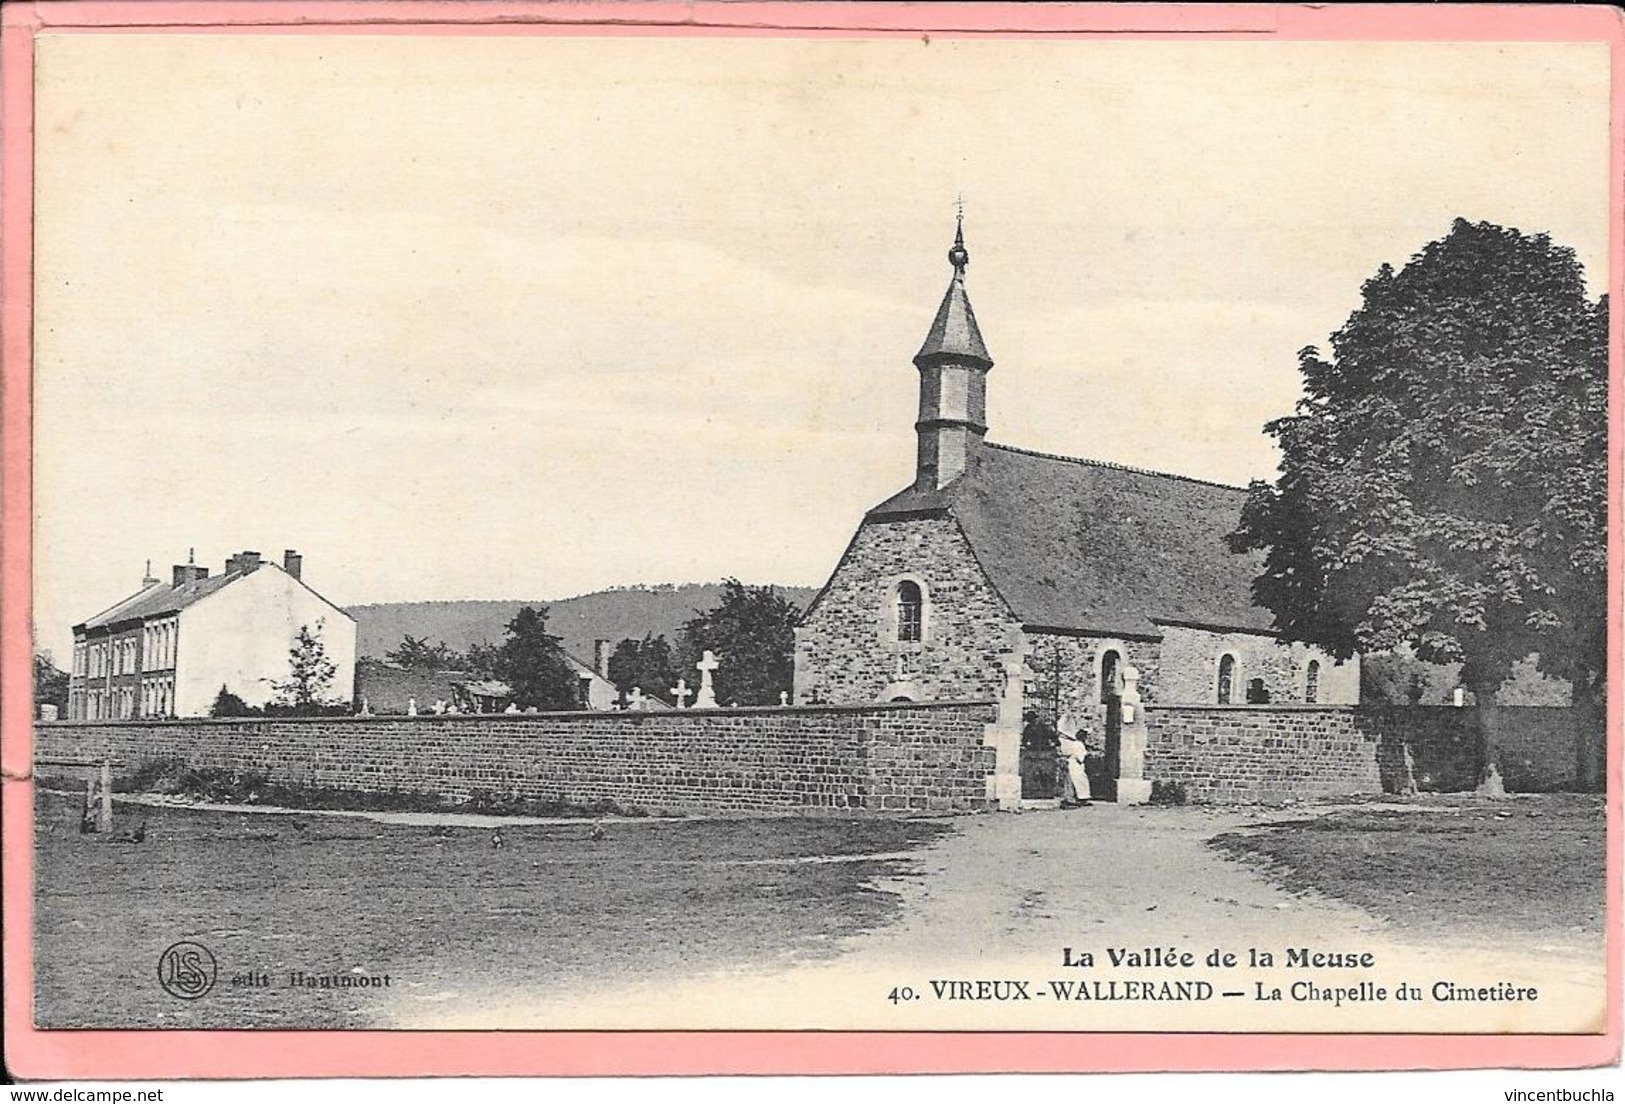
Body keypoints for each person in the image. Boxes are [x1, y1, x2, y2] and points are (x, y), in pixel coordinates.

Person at [1057, 730, 1091, 808]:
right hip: (1076, 765)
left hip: (1073, 764)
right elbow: (1080, 757)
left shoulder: (1074, 744)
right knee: (1080, 780)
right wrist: (1086, 754)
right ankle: (1082, 798)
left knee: (1075, 781)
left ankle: (1077, 798)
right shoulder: (1079, 745)